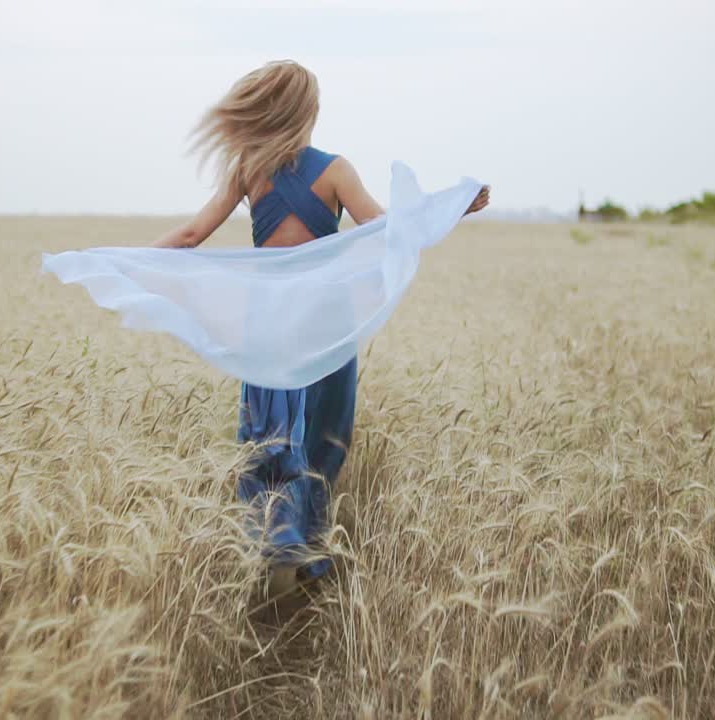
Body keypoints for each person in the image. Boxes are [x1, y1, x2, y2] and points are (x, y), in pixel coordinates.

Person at [149, 60, 490, 595]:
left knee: (270, 431)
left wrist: (129, 261)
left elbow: (192, 235)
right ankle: (302, 549)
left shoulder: (247, 169)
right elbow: (385, 230)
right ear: (308, 111)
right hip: (325, 322)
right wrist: (450, 211)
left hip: (267, 322)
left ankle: (272, 544)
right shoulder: (335, 171)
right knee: (323, 432)